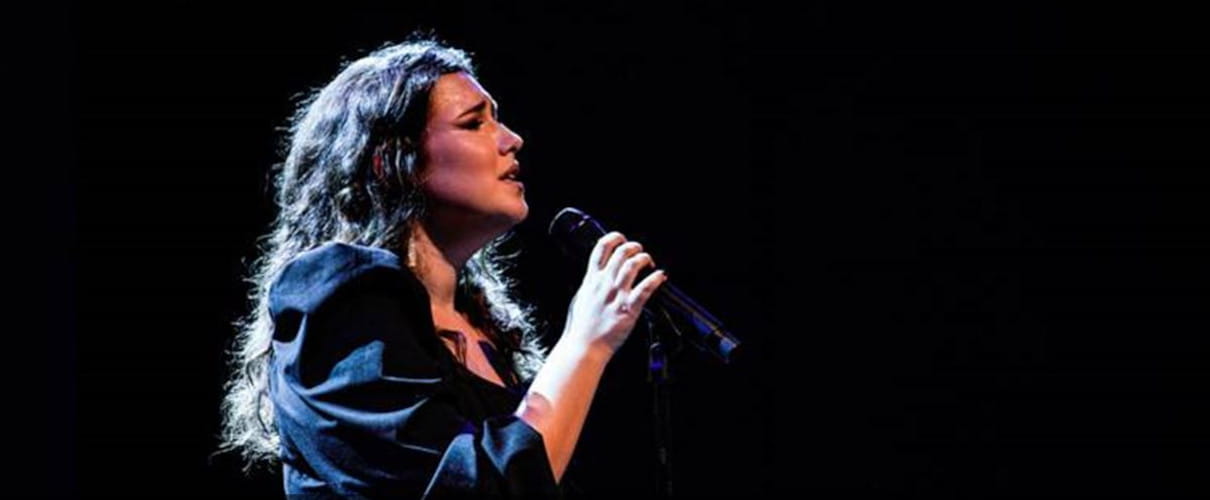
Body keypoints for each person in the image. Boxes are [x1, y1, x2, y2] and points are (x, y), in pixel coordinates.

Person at [217, 35, 669, 499]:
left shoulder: (483, 329)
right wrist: (585, 343)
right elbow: (469, 487)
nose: (512, 140)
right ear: (393, 163)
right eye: (473, 123)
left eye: (497, 119)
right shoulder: (339, 292)